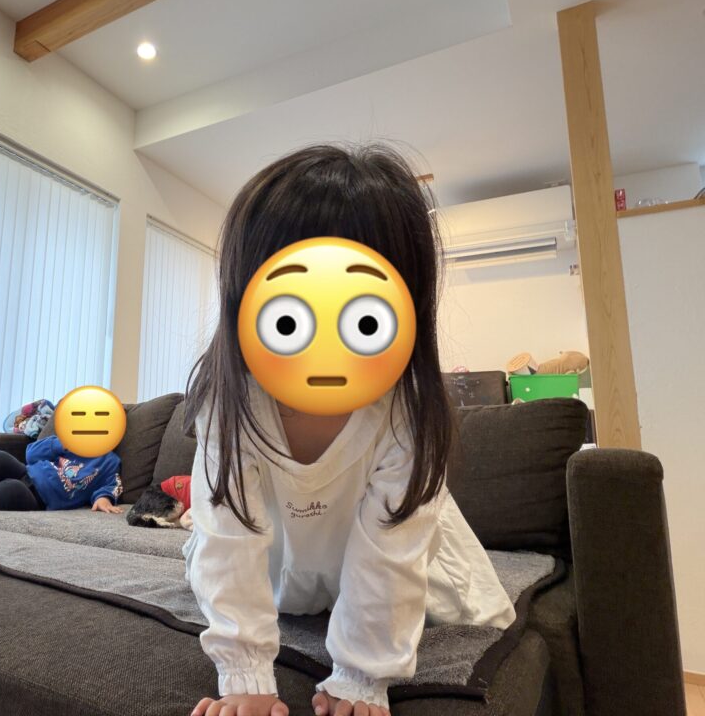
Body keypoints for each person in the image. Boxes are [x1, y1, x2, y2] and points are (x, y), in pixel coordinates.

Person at [182, 144, 516, 716]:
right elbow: (229, 538)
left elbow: (392, 552)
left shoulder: (404, 411)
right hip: (281, 560)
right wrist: (245, 675)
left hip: (385, 553)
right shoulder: (230, 400)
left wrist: (362, 675)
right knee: (211, 557)